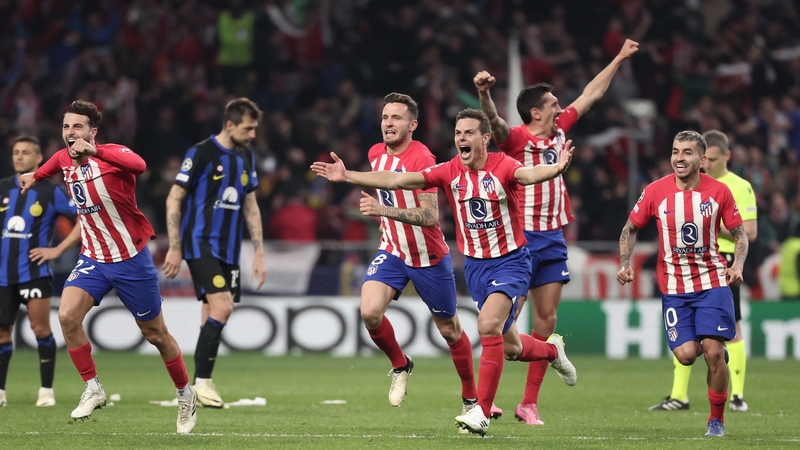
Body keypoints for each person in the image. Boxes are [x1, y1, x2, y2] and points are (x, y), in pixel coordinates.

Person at [312, 108, 578, 436]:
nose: (461, 138)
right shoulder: (449, 170)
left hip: (511, 261)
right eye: (458, 133)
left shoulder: (504, 166)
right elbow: (395, 180)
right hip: (476, 266)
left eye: (469, 133)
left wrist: (556, 169)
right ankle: (552, 350)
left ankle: (480, 410)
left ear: (485, 139)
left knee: (487, 325)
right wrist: (348, 176)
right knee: (511, 348)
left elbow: (528, 175)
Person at [473, 38, 639, 425]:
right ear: (535, 112)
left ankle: (528, 403)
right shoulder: (515, 139)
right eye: (553, 104)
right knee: (503, 326)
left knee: (546, 320)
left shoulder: (561, 130)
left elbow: (592, 93)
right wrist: (484, 94)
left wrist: (618, 57)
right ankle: (486, 399)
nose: (560, 108)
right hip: (519, 238)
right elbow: (494, 123)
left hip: (552, 237)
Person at [19, 100, 197, 434]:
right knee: (67, 316)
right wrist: (35, 175)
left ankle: (185, 394)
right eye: (66, 126)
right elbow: (53, 164)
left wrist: (96, 151)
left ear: (93, 131)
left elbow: (140, 165)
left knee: (156, 335)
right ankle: (93, 387)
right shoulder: (64, 158)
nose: (71, 133)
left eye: (78, 126)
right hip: (93, 258)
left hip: (130, 259)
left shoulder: (112, 155)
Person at [349, 93, 489, 426]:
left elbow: (430, 216)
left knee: (450, 331)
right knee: (369, 312)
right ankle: (401, 364)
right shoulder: (375, 153)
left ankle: (471, 399)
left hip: (428, 256)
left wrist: (381, 210)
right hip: (392, 250)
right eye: (385, 117)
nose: (388, 123)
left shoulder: (423, 158)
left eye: (396, 118)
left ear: (412, 125)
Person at [617, 131, 749, 437]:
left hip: (713, 281)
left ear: (701, 160)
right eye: (676, 151)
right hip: (675, 288)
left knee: (712, 352)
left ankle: (716, 420)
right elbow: (630, 228)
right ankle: (717, 353)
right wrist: (624, 262)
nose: (679, 157)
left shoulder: (720, 191)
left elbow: (740, 234)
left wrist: (737, 265)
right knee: (687, 355)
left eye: (687, 152)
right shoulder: (655, 191)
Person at [163, 98, 267, 408]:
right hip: (200, 243)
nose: (252, 135)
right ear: (230, 125)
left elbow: (251, 206)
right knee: (223, 307)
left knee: (211, 312)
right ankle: (202, 384)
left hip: (229, 249)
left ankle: (197, 386)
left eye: (255, 129)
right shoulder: (201, 153)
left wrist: (259, 252)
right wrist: (175, 246)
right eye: (248, 129)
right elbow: (174, 198)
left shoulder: (246, 156)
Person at [649, 130, 757, 413]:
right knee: (692, 347)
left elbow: (749, 232)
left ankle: (737, 396)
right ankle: (679, 395)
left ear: (722, 156)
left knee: (731, 331)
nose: (708, 163)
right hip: (682, 270)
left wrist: (707, 223)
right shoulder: (676, 186)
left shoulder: (737, 186)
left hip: (722, 264)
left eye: (712, 159)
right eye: (677, 152)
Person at [0, 136, 81, 408]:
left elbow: (82, 218)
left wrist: (57, 250)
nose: (19, 156)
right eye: (16, 152)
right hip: (2, 276)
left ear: (38, 159)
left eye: (25, 152)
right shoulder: (2, 188)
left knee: (40, 329)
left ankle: (46, 390)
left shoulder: (51, 191)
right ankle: (0, 392)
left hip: (35, 272)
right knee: (2, 334)